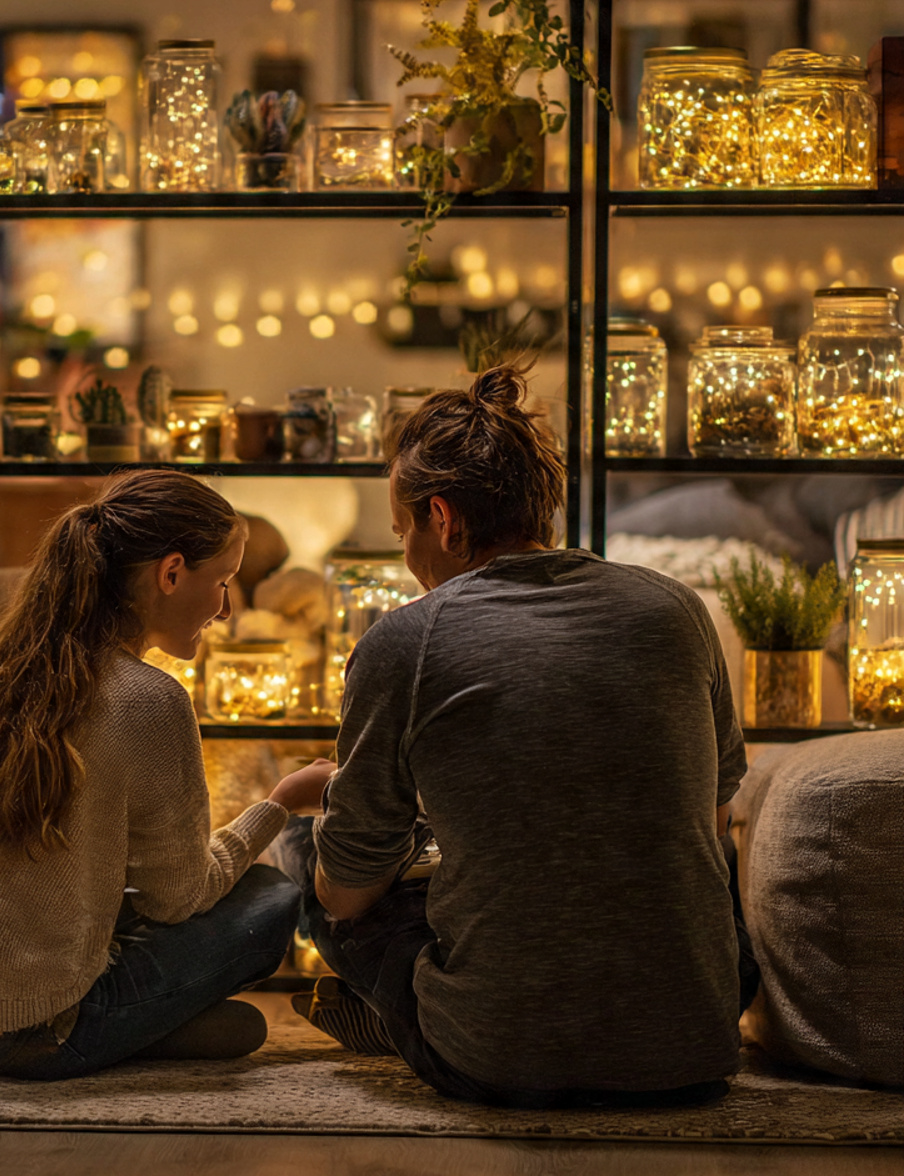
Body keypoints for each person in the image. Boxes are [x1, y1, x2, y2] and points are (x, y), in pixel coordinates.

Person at [280, 363, 759, 1108]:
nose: (409, 559)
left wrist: (339, 801)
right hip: (690, 1050)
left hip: (500, 1060)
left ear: (442, 518)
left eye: (404, 532)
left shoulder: (405, 641)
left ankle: (404, 1016)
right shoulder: (677, 610)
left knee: (307, 854)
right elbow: (713, 816)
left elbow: (346, 898)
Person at [0, 470, 331, 1080]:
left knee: (221, 1006)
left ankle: (151, 1027)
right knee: (272, 896)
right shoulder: (149, 699)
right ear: (171, 574)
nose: (226, 609)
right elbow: (180, 898)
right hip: (34, 1028)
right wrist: (281, 802)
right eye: (222, 582)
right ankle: (134, 1030)